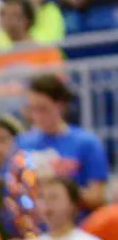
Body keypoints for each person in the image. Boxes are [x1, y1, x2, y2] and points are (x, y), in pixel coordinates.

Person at [8, 74, 109, 215]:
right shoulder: (23, 143)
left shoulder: (86, 143)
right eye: (32, 109)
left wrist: (60, 187)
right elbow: (13, 193)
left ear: (60, 106)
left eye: (43, 109)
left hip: (78, 227)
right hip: (38, 228)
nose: (37, 116)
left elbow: (97, 197)